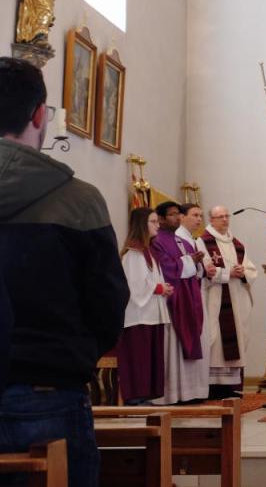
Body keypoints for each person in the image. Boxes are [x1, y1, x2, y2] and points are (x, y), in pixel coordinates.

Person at [0, 57, 128, 487]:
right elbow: (108, 302)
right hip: (47, 390)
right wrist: (70, 359)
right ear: (40, 114)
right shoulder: (78, 200)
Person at [151, 202, 209, 404]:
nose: (177, 217)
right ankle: (173, 393)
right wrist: (190, 262)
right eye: (173, 214)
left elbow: (194, 270)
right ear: (161, 219)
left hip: (188, 298)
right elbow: (165, 269)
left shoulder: (181, 241)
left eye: (178, 214)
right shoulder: (156, 241)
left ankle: (190, 392)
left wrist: (197, 262)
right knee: (174, 349)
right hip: (172, 301)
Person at [199, 206, 258, 398]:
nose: (225, 219)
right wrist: (227, 273)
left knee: (238, 339)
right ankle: (214, 387)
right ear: (211, 219)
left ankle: (231, 386)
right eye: (220, 216)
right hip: (216, 298)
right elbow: (205, 269)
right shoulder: (203, 242)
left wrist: (242, 272)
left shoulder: (237, 244)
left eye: (227, 216)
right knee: (215, 340)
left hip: (237, 298)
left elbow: (251, 269)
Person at [117, 208, 172, 404]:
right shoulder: (133, 253)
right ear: (142, 224)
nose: (158, 225)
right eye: (153, 221)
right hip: (138, 314)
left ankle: (147, 394)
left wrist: (162, 287)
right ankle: (136, 396)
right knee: (139, 357)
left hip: (151, 312)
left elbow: (150, 279)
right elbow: (135, 285)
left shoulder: (148, 251)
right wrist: (159, 287)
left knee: (151, 356)